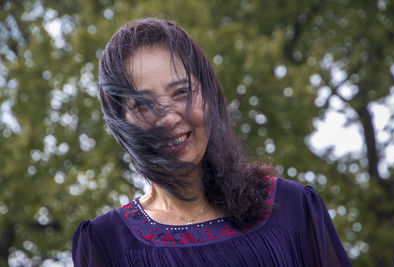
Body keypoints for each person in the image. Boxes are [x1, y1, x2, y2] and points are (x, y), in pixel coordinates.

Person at [72, 17, 352, 267]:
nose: (169, 118)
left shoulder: (293, 208)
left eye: (181, 92)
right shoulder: (106, 244)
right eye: (143, 105)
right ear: (120, 122)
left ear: (209, 96)